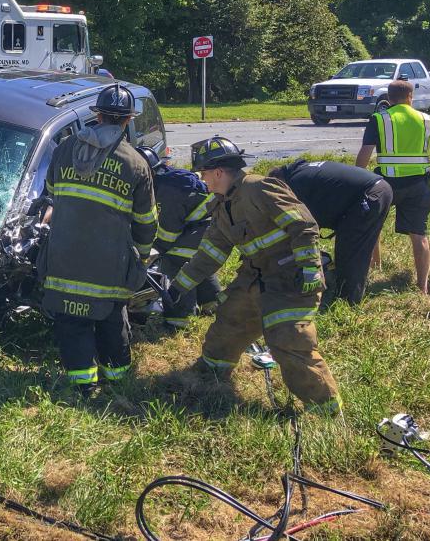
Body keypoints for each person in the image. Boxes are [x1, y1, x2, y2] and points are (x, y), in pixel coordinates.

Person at [168, 136, 342, 415]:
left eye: (203, 174)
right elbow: (211, 252)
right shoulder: (222, 204)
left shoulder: (259, 188)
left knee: (289, 339)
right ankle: (212, 371)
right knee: (230, 320)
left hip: (291, 278)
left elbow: (304, 225)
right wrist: (179, 286)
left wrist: (310, 268)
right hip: (255, 276)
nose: (202, 180)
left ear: (218, 172)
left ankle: (326, 408)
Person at [42, 83, 157, 398]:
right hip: (108, 265)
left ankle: (82, 385)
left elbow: (51, 195)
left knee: (72, 322)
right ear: (127, 120)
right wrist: (142, 259)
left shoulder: (65, 149)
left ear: (98, 115)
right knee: (109, 318)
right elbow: (146, 222)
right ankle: (117, 379)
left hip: (64, 257)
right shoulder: (135, 164)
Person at [356, 79, 430, 295]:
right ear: (411, 97)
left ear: (389, 99)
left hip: (384, 184)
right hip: (418, 185)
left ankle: (375, 266)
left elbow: (364, 155)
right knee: (419, 234)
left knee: (374, 225)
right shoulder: (427, 120)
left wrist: (358, 180)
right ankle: (422, 287)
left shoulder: (379, 120)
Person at [268, 160, 393, 306]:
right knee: (355, 244)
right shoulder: (301, 172)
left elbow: (304, 227)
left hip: (369, 195)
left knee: (350, 252)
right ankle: (346, 290)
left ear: (280, 182)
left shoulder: (296, 185)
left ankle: (347, 303)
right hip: (378, 189)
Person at [136, 146, 221, 327]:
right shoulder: (167, 179)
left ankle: (180, 319)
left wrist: (150, 251)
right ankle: (211, 303)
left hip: (203, 230)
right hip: (206, 228)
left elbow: (167, 235)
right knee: (197, 264)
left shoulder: (166, 192)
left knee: (175, 261)